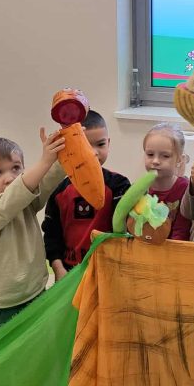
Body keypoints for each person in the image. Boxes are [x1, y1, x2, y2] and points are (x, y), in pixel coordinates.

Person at [0, 128, 65, 338]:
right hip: (1, 306)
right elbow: (9, 202)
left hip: (35, 294)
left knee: (33, 349)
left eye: (16, 168)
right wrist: (44, 161)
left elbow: (47, 181)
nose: (10, 178)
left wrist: (63, 153)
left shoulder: (26, 203)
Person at [42, 110, 130, 281]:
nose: (94, 152)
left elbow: (125, 230)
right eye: (86, 146)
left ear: (108, 143)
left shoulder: (119, 185)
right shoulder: (58, 192)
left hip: (108, 275)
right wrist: (58, 269)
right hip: (69, 275)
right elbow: (51, 236)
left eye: (101, 144)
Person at [143, 122, 192, 240]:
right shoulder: (141, 189)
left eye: (165, 156)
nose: (155, 161)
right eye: (150, 154)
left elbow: (182, 230)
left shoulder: (185, 189)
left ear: (179, 159)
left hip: (173, 248)